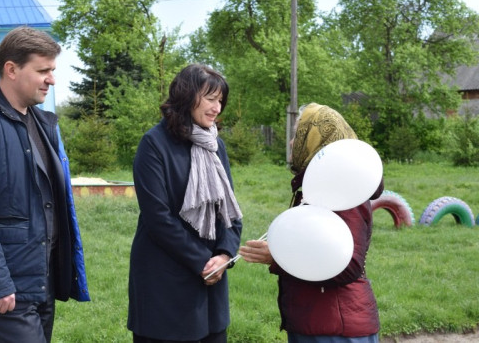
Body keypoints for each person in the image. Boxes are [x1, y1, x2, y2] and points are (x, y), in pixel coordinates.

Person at [0, 26, 90, 343]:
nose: (51, 79)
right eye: (43, 71)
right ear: (11, 69)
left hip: (41, 277)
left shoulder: (42, 122)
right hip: (7, 283)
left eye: (52, 70)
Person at [239, 103, 383, 343]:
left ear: (317, 139)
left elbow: (348, 265)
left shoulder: (344, 188)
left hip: (336, 328)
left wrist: (278, 257)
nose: (291, 143)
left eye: (298, 135)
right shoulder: (320, 185)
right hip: (319, 321)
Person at [128, 64, 243, 343]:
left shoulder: (215, 145)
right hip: (165, 278)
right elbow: (158, 218)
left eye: (220, 101)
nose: (217, 108)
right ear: (187, 96)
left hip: (211, 276)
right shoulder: (154, 144)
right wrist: (202, 261)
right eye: (211, 99)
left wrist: (224, 254)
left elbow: (229, 210)